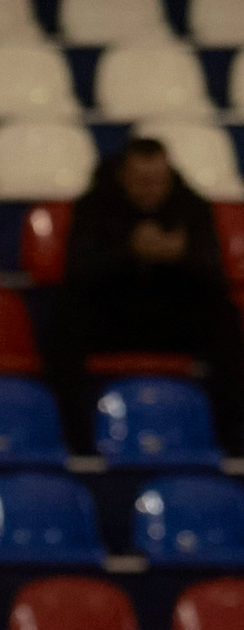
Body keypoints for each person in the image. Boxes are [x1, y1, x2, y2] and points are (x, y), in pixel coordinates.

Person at [48, 138, 244, 448]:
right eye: (142, 181)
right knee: (61, 317)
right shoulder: (94, 205)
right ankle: (77, 443)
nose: (151, 189)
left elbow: (214, 276)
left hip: (170, 319)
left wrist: (179, 255)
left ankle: (234, 444)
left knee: (225, 317)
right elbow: (78, 272)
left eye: (158, 182)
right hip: (113, 318)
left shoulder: (192, 207)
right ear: (124, 176)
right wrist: (129, 250)